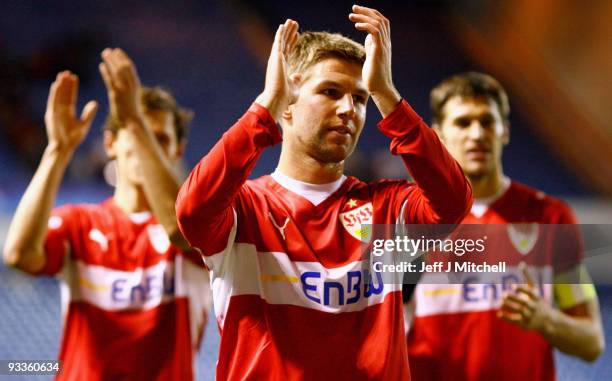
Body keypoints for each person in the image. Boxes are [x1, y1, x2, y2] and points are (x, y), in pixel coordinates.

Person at [176, 5, 472, 380]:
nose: (349, 109)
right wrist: (265, 107)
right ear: (288, 105)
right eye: (330, 92)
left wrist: (387, 94)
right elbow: (191, 211)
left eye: (361, 98)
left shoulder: (387, 207)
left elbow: (452, 204)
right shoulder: (244, 210)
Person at [3, 49, 211, 380]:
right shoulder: (79, 223)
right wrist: (57, 151)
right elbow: (19, 255)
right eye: (136, 133)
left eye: (159, 138)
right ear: (111, 144)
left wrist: (134, 122)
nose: (148, 148)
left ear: (178, 150)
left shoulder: (200, 230)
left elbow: (181, 229)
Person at [406, 72, 605, 380]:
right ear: (438, 135)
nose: (477, 134)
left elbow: (591, 341)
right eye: (463, 122)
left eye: (487, 121)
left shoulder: (549, 218)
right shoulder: (411, 220)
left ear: (505, 131)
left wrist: (545, 320)